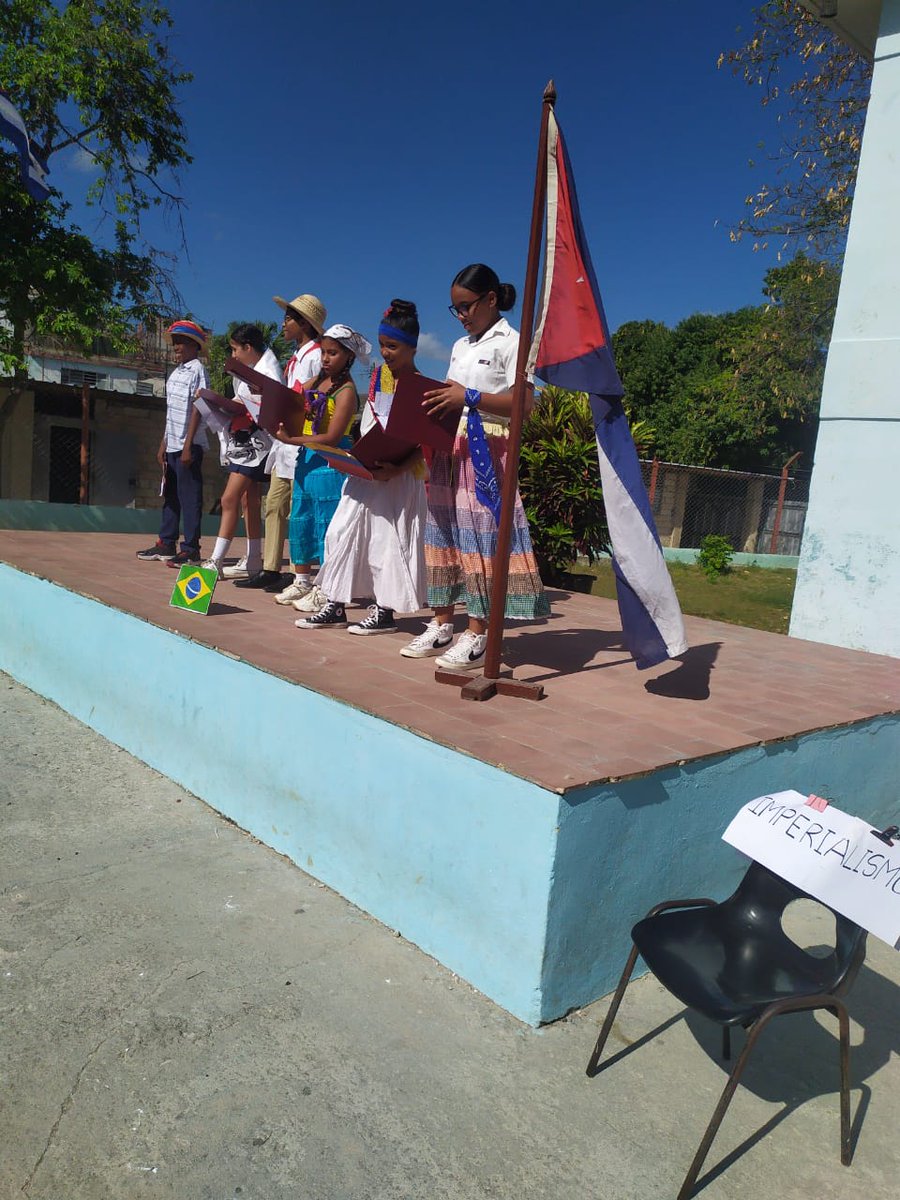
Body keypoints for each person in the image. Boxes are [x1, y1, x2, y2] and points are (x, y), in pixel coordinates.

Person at [402, 263, 548, 671]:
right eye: (455, 309)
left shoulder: (513, 343)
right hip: (450, 449)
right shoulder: (460, 346)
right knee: (443, 534)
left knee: (480, 538)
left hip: (488, 453)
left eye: (467, 306)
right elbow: (449, 396)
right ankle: (442, 622)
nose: (463, 315)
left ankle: (478, 632)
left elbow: (525, 404)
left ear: (491, 299)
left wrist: (469, 396)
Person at [295, 300, 427, 634]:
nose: (386, 353)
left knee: (386, 542)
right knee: (340, 532)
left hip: (396, 476)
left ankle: (384, 611)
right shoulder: (379, 376)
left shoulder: (421, 385)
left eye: (393, 347)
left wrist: (394, 469)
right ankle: (335, 604)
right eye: (382, 345)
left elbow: (424, 443)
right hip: (366, 470)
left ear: (412, 348)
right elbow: (372, 423)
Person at [272, 324, 370, 626]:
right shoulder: (317, 380)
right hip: (307, 459)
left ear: (349, 356)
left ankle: (328, 588)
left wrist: (291, 440)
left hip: (329, 462)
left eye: (333, 353)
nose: (326, 358)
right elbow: (296, 403)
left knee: (328, 524)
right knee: (301, 517)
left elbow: (332, 435)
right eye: (324, 352)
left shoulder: (347, 391)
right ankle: (302, 579)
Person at [234, 293, 326, 591]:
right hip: (284, 443)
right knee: (274, 504)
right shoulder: (295, 358)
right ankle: (272, 567)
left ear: (304, 324)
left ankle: (305, 574)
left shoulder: (316, 355)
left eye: (288, 318)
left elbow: (313, 395)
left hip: (301, 443)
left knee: (301, 509)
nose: (283, 324)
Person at [201, 324, 283, 578]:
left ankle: (216, 560)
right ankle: (254, 558)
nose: (233, 355)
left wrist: (236, 406)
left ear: (248, 347)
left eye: (236, 349)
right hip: (247, 440)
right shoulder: (246, 371)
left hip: (258, 443)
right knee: (250, 500)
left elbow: (267, 406)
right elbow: (242, 401)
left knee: (229, 498)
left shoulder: (269, 372)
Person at [136, 319, 210, 566]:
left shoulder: (198, 370)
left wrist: (188, 445)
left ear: (194, 345)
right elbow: (171, 412)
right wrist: (163, 444)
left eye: (181, 342)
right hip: (172, 444)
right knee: (170, 495)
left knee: (189, 498)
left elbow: (199, 409)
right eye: (174, 342)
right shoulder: (176, 371)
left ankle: (190, 548)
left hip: (189, 445)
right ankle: (166, 542)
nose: (176, 347)